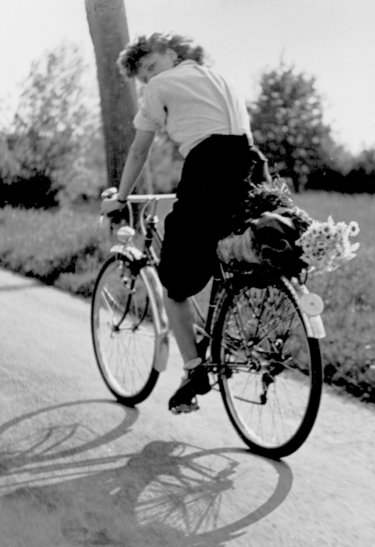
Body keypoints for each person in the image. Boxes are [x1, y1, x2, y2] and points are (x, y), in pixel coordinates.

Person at [101, 32, 256, 414]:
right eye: (143, 76)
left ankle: (193, 369)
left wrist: (120, 198)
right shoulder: (218, 78)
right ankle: (220, 333)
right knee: (219, 249)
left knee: (173, 282)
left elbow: (140, 148)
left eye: (151, 66)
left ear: (171, 55)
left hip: (207, 165)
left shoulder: (161, 87)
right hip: (247, 162)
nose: (149, 79)